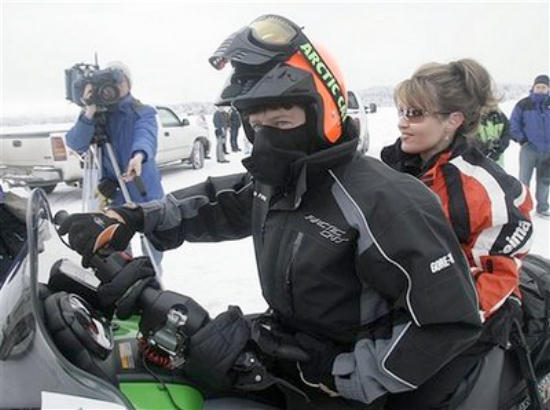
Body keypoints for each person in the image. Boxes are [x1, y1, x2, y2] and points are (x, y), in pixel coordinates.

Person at [60, 15, 483, 410]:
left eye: (281, 124)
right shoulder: (279, 178)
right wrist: (132, 218)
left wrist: (344, 374)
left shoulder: (385, 201)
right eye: (257, 127)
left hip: (348, 381)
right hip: (286, 348)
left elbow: (447, 320)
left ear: (323, 113)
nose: (267, 141)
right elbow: (215, 204)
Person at [381, 59, 534, 404]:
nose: (402, 122)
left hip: (466, 318)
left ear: (453, 120)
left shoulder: (482, 186)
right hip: (407, 302)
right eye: (402, 110)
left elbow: (497, 273)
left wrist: (444, 326)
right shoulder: (394, 165)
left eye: (416, 113)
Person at [65, 61, 164, 266]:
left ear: (128, 84)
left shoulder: (143, 111)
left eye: (118, 81)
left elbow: (146, 136)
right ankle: (125, 276)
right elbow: (76, 143)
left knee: (153, 245)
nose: (113, 88)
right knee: (116, 247)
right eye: (108, 83)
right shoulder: (96, 116)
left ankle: (153, 276)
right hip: (113, 194)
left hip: (144, 189)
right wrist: (89, 111)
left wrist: (138, 156)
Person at [510, 74, 550, 218]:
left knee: (545, 180)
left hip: (548, 151)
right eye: (538, 87)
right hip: (529, 149)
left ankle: (543, 207)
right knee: (524, 179)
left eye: (543, 87)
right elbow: (514, 123)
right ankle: (522, 208)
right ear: (533, 87)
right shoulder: (524, 104)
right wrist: (522, 140)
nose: (540, 89)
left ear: (548, 89)